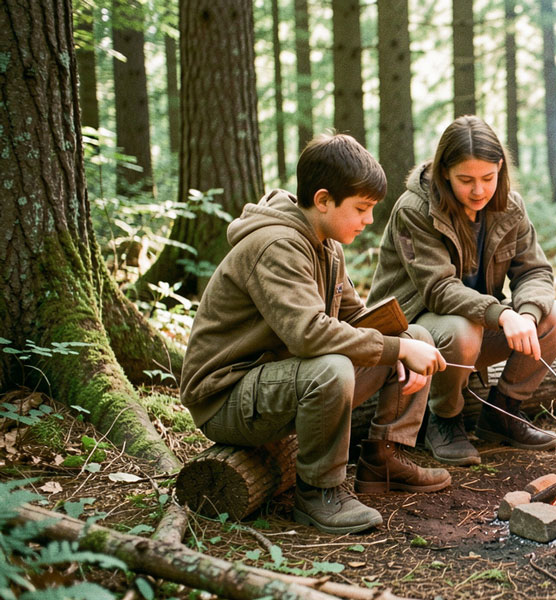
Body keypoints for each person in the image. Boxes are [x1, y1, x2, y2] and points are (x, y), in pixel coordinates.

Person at [181, 134, 451, 535]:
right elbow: (308, 336)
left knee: (417, 334)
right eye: (361, 209)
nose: (369, 220)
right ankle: (318, 493)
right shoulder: (275, 245)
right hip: (227, 398)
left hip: (277, 380)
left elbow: (356, 319)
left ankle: (384, 457)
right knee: (331, 368)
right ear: (323, 200)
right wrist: (396, 349)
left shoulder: (326, 245)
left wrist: (406, 342)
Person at [368, 115, 556, 466]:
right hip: (415, 335)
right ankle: (444, 420)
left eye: (488, 178)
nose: (479, 190)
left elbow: (535, 271)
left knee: (555, 317)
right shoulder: (414, 210)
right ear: (444, 171)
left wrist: (524, 314)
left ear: (501, 169)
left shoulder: (510, 207)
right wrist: (503, 314)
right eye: (466, 180)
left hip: (474, 331)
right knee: (463, 329)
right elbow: (439, 290)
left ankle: (503, 413)